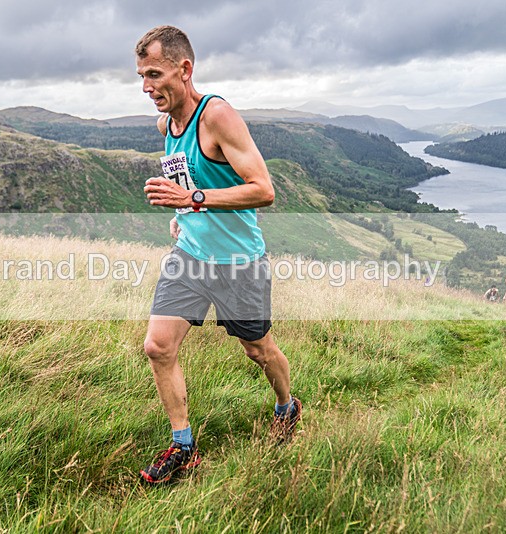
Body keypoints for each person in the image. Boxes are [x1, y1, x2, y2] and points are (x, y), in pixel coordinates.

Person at [135, 25, 301, 484]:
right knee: (158, 346)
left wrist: (193, 202)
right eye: (141, 77)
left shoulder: (218, 116)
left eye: (154, 74)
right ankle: (184, 448)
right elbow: (190, 179)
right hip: (190, 255)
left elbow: (263, 190)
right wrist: (184, 212)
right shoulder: (166, 124)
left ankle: (287, 406)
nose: (147, 87)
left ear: (184, 69)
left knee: (259, 349)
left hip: (239, 263)